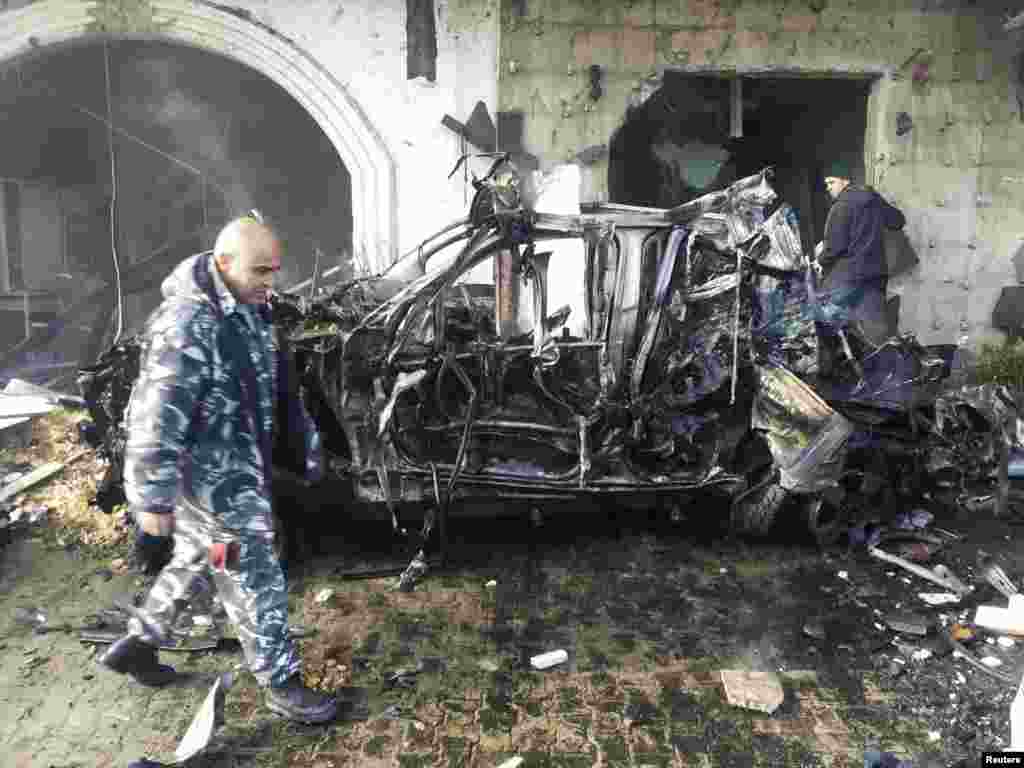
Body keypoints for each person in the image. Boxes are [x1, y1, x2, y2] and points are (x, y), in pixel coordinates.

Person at [98, 215, 337, 724]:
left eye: (274, 270)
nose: (271, 281)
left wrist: (299, 442)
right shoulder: (186, 325)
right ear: (223, 262)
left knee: (199, 557)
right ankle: (281, 684)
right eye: (260, 271)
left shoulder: (249, 304)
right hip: (215, 480)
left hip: (240, 463)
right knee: (257, 574)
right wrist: (151, 502)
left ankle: (140, 642)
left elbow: (268, 379)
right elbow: (154, 421)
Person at [814, 159, 906, 368]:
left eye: (831, 182)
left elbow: (834, 247)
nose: (828, 188)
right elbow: (898, 221)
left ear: (844, 181)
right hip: (874, 276)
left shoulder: (841, 206)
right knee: (877, 334)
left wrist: (819, 260)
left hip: (847, 277)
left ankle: (829, 374)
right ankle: (884, 376)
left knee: (818, 318)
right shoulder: (872, 197)